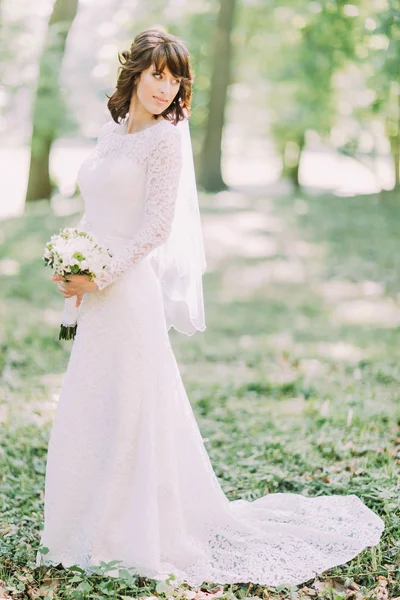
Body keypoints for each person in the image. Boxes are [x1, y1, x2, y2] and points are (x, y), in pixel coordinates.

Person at [37, 28, 384, 588]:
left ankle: (133, 531)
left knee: (132, 407)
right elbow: (96, 212)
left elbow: (154, 228)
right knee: (93, 402)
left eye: (175, 81)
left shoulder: (167, 141)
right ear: (135, 73)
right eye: (157, 76)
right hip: (95, 293)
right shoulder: (109, 133)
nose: (165, 90)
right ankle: (86, 521)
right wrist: (70, 266)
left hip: (127, 294)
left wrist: (99, 273)